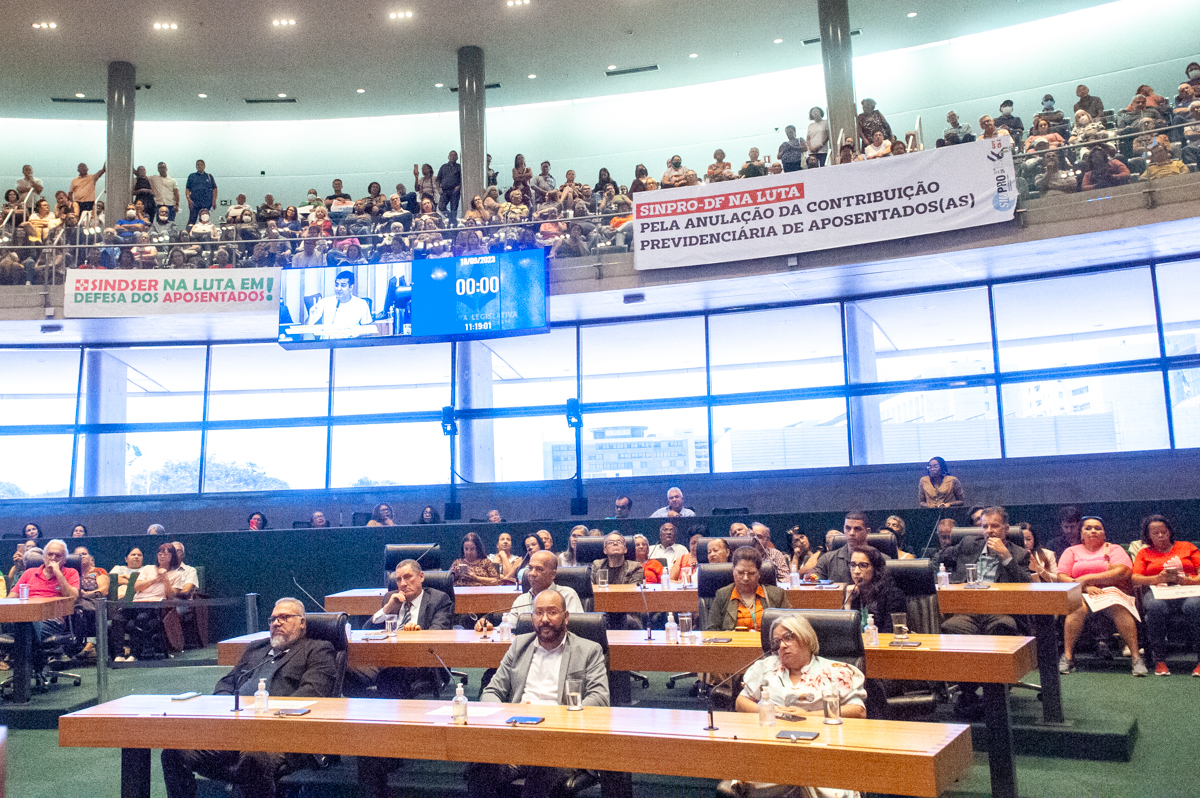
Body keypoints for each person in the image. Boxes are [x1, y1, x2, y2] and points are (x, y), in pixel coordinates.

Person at [161, 598, 337, 798]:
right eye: (273, 619)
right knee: (174, 751)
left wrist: (263, 715)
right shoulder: (256, 649)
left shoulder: (317, 649)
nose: (276, 623)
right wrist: (225, 706)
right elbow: (226, 683)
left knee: (253, 755)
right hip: (235, 730)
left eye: (284, 617)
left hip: (281, 734)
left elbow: (312, 694)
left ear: (302, 622)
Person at [464, 590, 624, 798]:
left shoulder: (589, 650)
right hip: (518, 739)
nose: (545, 619)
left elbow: (599, 699)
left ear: (566, 616)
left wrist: (551, 716)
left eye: (552, 612)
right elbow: (491, 692)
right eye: (539, 613)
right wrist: (508, 711)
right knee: (480, 766)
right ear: (532, 618)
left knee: (543, 770)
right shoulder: (519, 646)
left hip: (563, 742)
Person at [724, 614, 865, 798]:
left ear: (806, 637)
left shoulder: (836, 670)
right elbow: (741, 702)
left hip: (822, 748)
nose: (782, 646)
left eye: (788, 638)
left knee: (805, 779)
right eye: (777, 642)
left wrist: (808, 716)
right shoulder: (765, 668)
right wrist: (769, 710)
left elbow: (858, 711)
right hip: (772, 748)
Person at [939, 507, 1031, 715]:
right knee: (953, 628)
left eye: (995, 526)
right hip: (968, 610)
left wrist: (1006, 557)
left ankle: (997, 691)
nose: (989, 531)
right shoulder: (969, 544)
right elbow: (940, 558)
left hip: (1001, 611)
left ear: (1006, 529)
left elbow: (1027, 586)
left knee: (1002, 627)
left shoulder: (1019, 553)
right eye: (985, 526)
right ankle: (968, 692)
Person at [1057, 516, 1145, 676]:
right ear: (1081, 534)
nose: (1093, 531)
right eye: (1088, 528)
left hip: (1110, 593)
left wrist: (1088, 578)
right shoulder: (1071, 551)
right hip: (1081, 593)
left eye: (1098, 528)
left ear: (1104, 534)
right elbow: (1062, 577)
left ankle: (1136, 658)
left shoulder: (1114, 549)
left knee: (1119, 608)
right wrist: (1086, 587)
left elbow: (1122, 572)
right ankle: (1068, 656)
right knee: (1076, 608)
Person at [1131, 515, 1200, 676]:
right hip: (1158, 592)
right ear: (1148, 536)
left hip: (1189, 591)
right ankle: (1160, 660)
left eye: (1164, 531)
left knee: (1194, 606)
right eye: (1156, 533)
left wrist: (1188, 581)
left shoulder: (1187, 547)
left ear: (1170, 532)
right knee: (1155, 606)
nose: (1161, 536)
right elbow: (1136, 578)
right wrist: (1157, 578)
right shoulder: (1144, 553)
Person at [480, 550, 583, 630]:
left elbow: (575, 629)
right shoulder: (522, 600)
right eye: (530, 568)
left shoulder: (568, 595)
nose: (532, 574)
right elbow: (509, 627)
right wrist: (490, 627)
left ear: (553, 574)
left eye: (539, 569)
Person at [707, 547, 790, 632]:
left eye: (751, 573)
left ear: (759, 573)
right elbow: (711, 630)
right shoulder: (722, 595)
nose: (745, 578)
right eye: (740, 572)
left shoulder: (777, 595)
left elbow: (790, 626)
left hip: (765, 644)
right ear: (733, 571)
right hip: (734, 644)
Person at [815, 511, 890, 583]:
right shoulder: (827, 560)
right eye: (848, 528)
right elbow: (813, 582)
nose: (851, 533)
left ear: (867, 531)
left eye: (857, 529)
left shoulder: (884, 560)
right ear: (844, 528)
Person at [845, 546, 907, 632]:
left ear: (875, 568)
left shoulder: (893, 595)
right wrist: (848, 602)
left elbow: (890, 633)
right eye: (853, 565)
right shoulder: (852, 592)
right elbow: (845, 633)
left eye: (863, 565)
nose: (856, 571)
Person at [307, 270, 373, 336]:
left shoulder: (361, 304)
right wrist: (310, 318)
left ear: (351, 287)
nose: (338, 289)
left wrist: (355, 334)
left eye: (343, 285)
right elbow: (307, 329)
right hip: (327, 344)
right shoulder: (324, 302)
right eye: (336, 285)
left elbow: (369, 331)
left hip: (350, 344)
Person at [184, 160, 217, 226]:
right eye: (198, 165)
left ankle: (204, 233)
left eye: (201, 165)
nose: (199, 166)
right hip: (194, 202)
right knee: (192, 220)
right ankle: (188, 234)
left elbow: (214, 189)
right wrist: (188, 199)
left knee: (204, 219)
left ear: (204, 166)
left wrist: (214, 201)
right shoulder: (192, 176)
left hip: (206, 202)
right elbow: (187, 189)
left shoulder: (209, 176)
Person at [436, 151, 462, 220]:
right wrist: (438, 189)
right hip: (444, 191)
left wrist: (459, 186)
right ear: (448, 157)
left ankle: (453, 224)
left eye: (454, 155)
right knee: (441, 206)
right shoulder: (443, 167)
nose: (452, 157)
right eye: (451, 155)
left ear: (457, 157)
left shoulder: (459, 167)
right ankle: (451, 218)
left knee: (454, 209)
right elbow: (438, 179)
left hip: (455, 191)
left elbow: (463, 179)